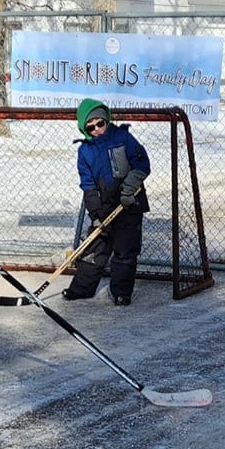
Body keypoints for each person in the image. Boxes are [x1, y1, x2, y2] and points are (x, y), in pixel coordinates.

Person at [62, 98, 151, 306]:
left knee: (125, 249)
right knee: (95, 248)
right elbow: (88, 185)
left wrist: (129, 189)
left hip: (128, 204)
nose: (97, 129)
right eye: (90, 127)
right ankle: (81, 289)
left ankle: (121, 292)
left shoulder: (123, 137)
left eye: (100, 123)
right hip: (104, 207)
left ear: (106, 120)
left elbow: (142, 164)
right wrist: (95, 214)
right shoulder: (85, 150)